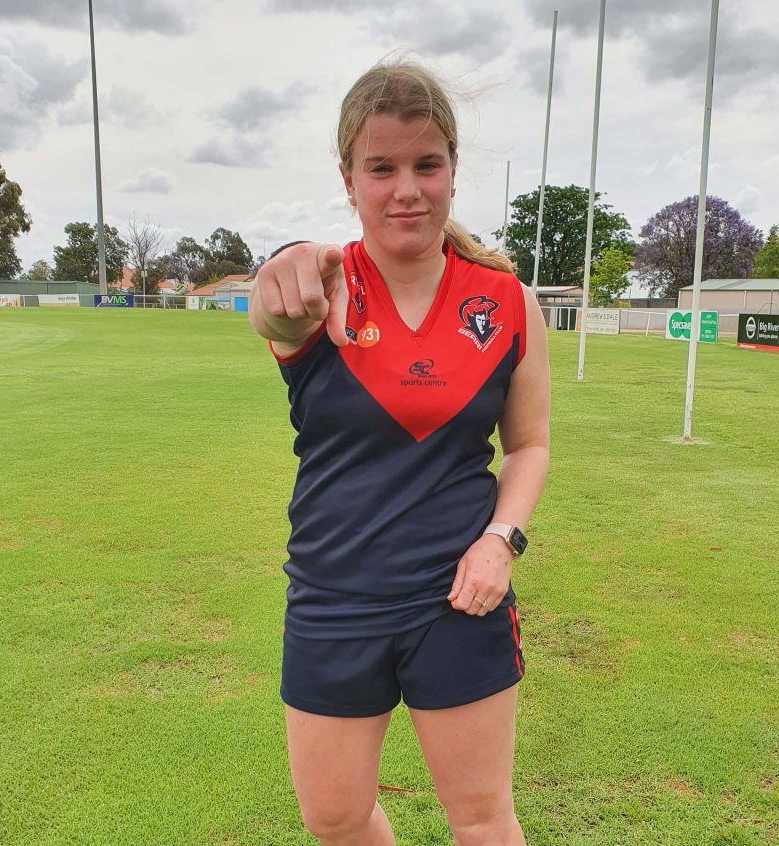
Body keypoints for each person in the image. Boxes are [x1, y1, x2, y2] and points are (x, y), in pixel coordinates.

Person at [249, 59, 550, 846]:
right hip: (332, 596)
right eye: (380, 167)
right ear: (348, 178)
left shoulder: (507, 300)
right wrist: (279, 266)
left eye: (427, 164)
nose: (405, 189)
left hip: (458, 599)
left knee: (483, 821)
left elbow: (530, 446)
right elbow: (272, 311)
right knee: (335, 818)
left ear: (452, 171)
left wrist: (500, 542)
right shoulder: (321, 287)